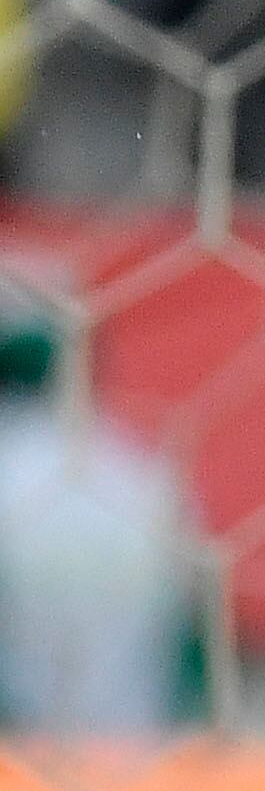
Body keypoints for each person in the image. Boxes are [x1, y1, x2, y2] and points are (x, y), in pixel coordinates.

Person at [0, 292, 202, 737]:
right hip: (138, 756)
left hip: (17, 767)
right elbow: (194, 641)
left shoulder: (10, 464)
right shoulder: (140, 470)